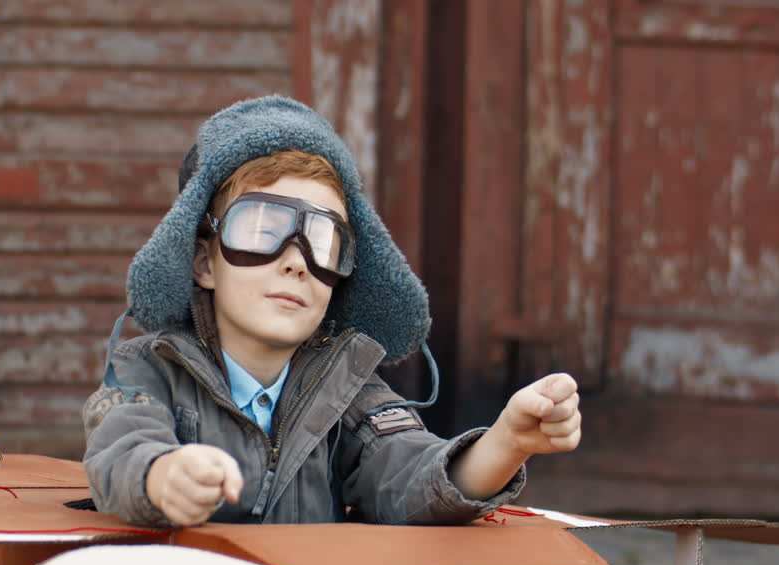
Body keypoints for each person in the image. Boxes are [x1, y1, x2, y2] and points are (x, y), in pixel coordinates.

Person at [82, 96, 580, 528]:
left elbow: (407, 477)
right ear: (203, 262)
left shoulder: (348, 387)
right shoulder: (147, 368)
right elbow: (120, 450)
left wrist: (507, 442)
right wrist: (165, 475)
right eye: (261, 228)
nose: (297, 261)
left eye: (323, 241)